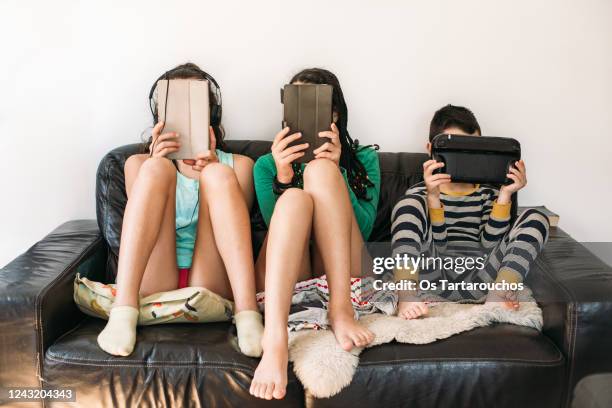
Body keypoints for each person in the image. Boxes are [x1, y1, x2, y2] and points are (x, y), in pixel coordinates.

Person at [97, 63, 263, 357]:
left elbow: (233, 232)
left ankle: (247, 315)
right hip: (155, 281)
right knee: (155, 169)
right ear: (160, 116)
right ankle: (123, 312)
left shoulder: (240, 166)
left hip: (211, 281)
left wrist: (211, 168)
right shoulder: (137, 164)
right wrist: (155, 163)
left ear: (210, 114)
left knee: (219, 176)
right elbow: (141, 226)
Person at [249, 68, 381, 400]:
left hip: (342, 269)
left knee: (321, 170)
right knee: (293, 198)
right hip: (292, 273)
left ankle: (340, 309)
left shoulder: (365, 159)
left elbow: (361, 229)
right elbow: (275, 228)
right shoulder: (265, 165)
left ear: (333, 113)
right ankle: (275, 338)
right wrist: (283, 178)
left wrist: (337, 172)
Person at [391, 104, 549, 319]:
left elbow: (488, 246)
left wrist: (505, 195)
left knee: (536, 216)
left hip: (482, 281)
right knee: (408, 205)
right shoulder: (420, 195)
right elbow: (441, 247)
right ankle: (406, 296)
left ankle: (500, 295)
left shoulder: (488, 193)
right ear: (431, 149)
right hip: (432, 280)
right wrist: (434, 198)